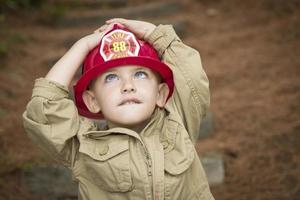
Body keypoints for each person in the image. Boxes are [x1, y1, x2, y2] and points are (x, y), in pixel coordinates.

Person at [23, 18, 214, 200]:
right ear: (92, 101)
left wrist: (152, 33)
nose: (128, 85)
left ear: (161, 94)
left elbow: (192, 79)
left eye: (140, 74)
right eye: (111, 78)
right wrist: (82, 46)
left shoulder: (179, 121)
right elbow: (45, 108)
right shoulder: (83, 146)